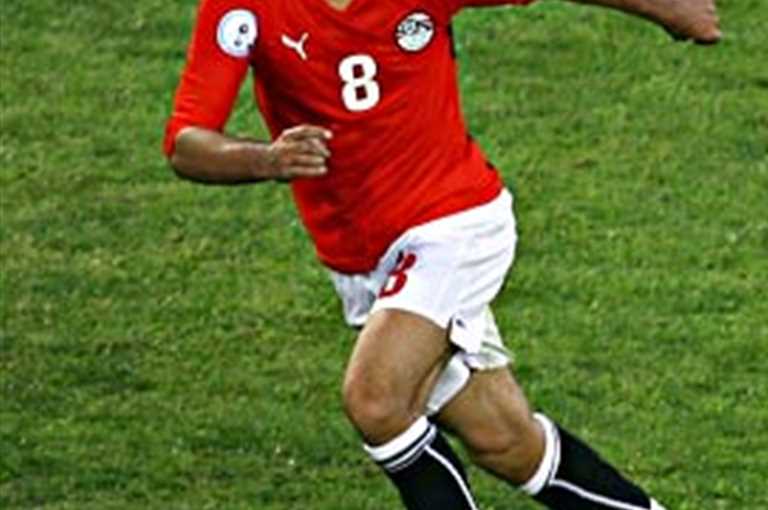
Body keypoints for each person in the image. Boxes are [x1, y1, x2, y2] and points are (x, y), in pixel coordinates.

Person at [163, 0, 720, 508]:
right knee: (505, 441)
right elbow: (187, 141)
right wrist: (263, 160)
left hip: (455, 227)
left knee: (377, 401)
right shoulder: (244, 8)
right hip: (362, 262)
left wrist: (668, 9)